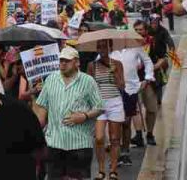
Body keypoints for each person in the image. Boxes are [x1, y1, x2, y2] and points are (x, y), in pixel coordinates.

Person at [34, 47, 104, 180]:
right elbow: (42, 106)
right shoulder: (51, 79)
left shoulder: (88, 81)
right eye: (61, 61)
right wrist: (36, 131)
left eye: (67, 61)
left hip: (79, 143)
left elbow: (100, 107)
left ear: (77, 62)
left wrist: (84, 116)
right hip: (54, 142)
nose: (63, 64)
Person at [110, 36, 154, 162]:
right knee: (115, 122)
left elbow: (147, 61)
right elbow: (98, 64)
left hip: (131, 89)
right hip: (114, 90)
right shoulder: (110, 50)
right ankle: (116, 150)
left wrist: (148, 77)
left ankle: (125, 151)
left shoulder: (136, 48)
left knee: (126, 122)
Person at [87, 40, 125, 178]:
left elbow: (122, 86)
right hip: (99, 104)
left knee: (115, 139)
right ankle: (101, 170)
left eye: (104, 46)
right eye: (99, 47)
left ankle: (113, 170)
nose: (101, 49)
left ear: (110, 48)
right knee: (99, 138)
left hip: (115, 102)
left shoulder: (117, 64)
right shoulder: (92, 65)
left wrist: (115, 73)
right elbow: (89, 87)